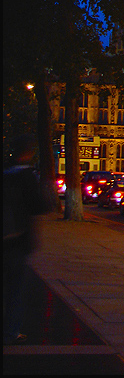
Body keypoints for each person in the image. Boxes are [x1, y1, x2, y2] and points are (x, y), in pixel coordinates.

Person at [3, 134, 49, 344]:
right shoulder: (27, 176)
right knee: (16, 289)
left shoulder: (5, 173)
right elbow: (38, 206)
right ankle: (12, 331)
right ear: (28, 153)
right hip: (18, 239)